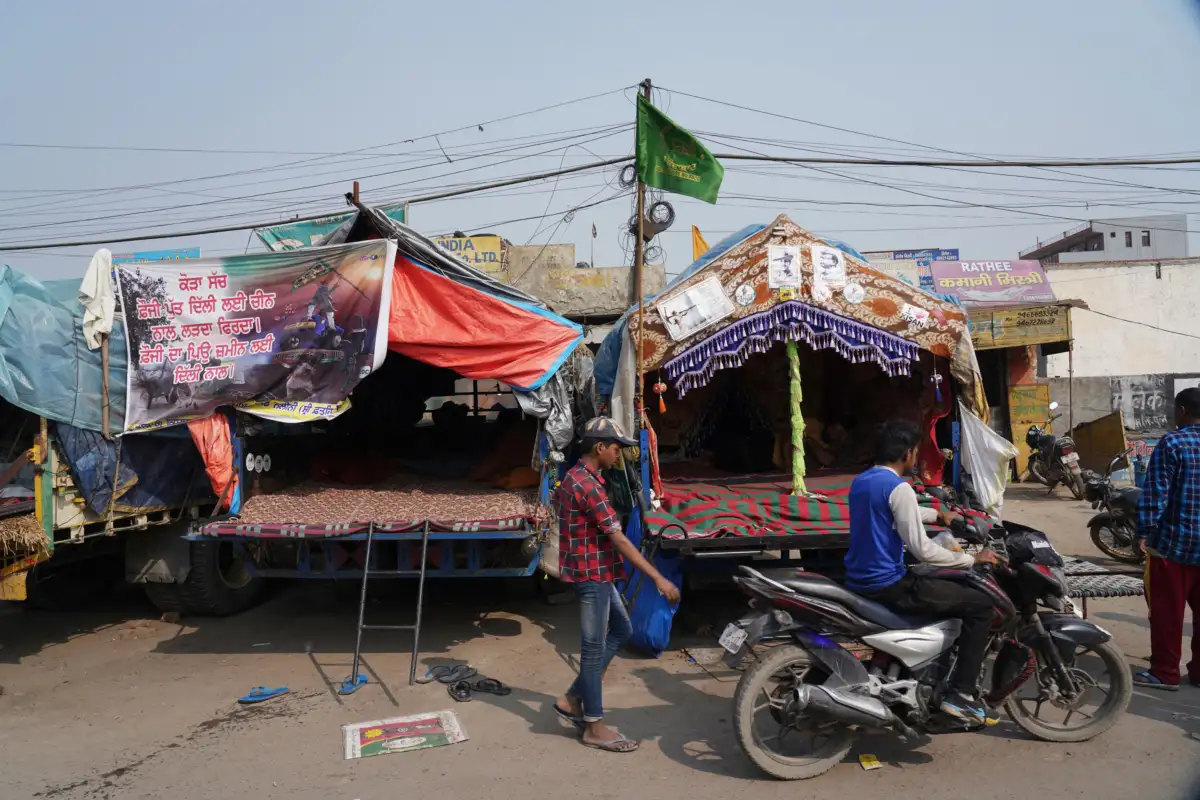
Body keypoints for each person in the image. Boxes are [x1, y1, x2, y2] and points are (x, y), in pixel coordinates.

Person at [844, 419, 1005, 721]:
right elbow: (923, 551)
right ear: (906, 454)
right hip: (888, 583)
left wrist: (938, 515)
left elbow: (894, 511)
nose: (916, 458)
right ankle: (961, 694)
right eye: (915, 452)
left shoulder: (862, 481)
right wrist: (973, 560)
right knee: (980, 605)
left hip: (859, 578)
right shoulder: (899, 488)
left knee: (945, 590)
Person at [552, 417, 681, 753]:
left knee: (621, 632)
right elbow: (619, 540)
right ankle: (593, 725)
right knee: (593, 652)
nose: (618, 455)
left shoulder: (579, 478)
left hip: (598, 572)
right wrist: (658, 577)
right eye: (615, 448)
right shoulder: (588, 486)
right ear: (599, 447)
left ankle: (572, 698)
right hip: (592, 576)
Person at [1133, 388, 1200, 690]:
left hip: (1174, 546)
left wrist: (1144, 532)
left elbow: (1156, 493)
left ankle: (1165, 672)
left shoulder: (1172, 442)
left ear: (1183, 411)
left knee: (1167, 612)